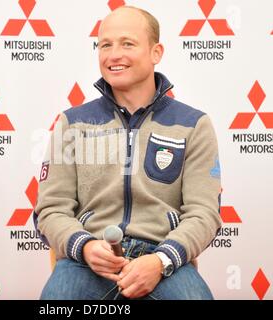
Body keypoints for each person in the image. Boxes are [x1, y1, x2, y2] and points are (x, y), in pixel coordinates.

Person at [33, 5, 222, 300]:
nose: (113, 54)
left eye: (127, 43)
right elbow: (50, 209)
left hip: (163, 261)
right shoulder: (72, 122)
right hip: (87, 261)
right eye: (105, 45)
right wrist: (84, 246)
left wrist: (161, 261)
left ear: (156, 52)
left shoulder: (194, 124)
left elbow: (204, 213)